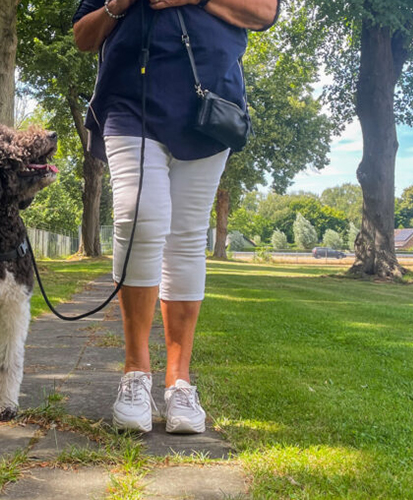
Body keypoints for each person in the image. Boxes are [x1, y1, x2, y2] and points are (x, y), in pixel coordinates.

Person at [72, 0, 280, 433]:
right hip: (130, 101)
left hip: (210, 105)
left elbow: (265, 12)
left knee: (186, 238)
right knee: (137, 217)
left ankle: (179, 382)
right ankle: (135, 375)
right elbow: (83, 36)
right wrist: (117, 4)